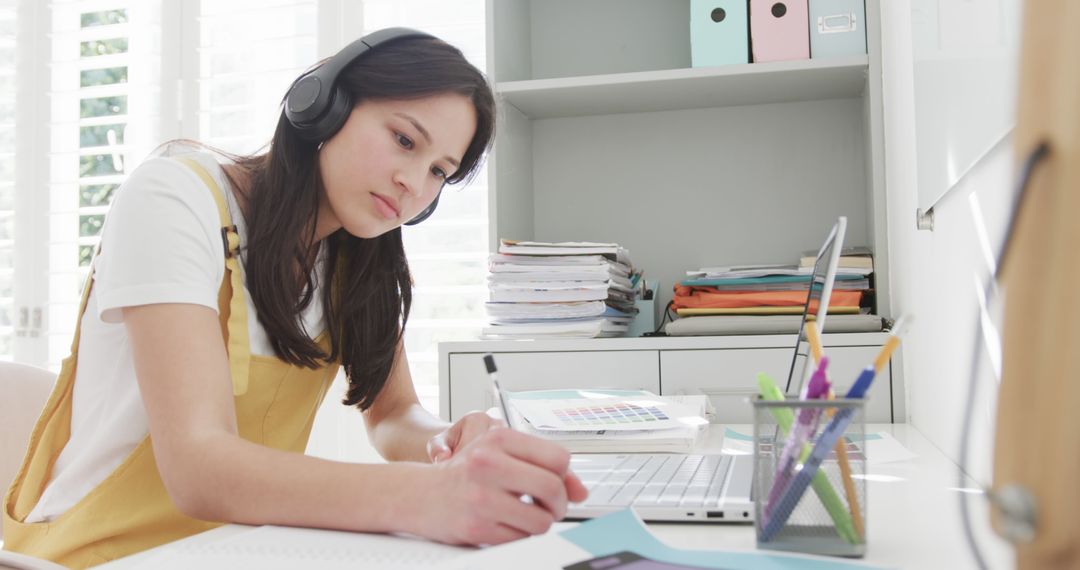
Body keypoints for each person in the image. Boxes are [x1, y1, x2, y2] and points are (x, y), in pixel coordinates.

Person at [2, 28, 587, 568]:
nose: (415, 183)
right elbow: (198, 468)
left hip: (236, 548)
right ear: (323, 106)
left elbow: (392, 414)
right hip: (102, 556)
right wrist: (432, 495)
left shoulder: (359, 262)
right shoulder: (175, 197)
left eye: (439, 170)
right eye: (404, 139)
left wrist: (447, 442)